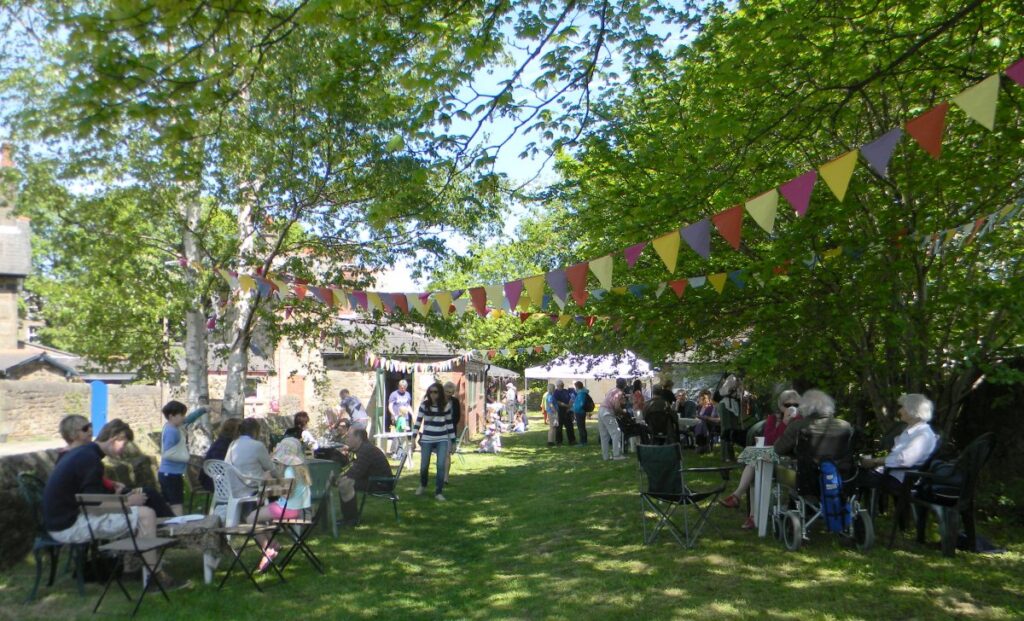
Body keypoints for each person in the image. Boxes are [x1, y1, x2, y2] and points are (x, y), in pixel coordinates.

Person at [42, 419, 188, 592]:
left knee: (137, 513)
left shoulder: (85, 453)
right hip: (68, 526)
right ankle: (153, 578)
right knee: (145, 514)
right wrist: (127, 502)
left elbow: (90, 498)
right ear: (114, 438)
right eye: (124, 444)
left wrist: (121, 500)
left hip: (61, 521)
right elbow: (93, 504)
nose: (124, 450)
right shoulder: (90, 458)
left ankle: (131, 569)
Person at [57, 415, 175, 518]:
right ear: (72, 434)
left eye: (90, 426)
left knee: (148, 495)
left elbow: (88, 483)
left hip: (92, 504)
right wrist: (126, 502)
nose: (91, 431)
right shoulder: (81, 457)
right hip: (83, 513)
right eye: (85, 428)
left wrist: (110, 483)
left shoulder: (82, 455)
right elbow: (91, 500)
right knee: (147, 507)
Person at [720, 389, 801, 529]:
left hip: (791, 463)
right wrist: (785, 422)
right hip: (774, 457)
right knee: (755, 460)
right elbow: (769, 441)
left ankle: (741, 501)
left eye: (796, 404)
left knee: (753, 460)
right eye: (788, 405)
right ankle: (749, 511)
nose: (792, 407)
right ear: (781, 406)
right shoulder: (773, 419)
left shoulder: (802, 419)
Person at [244, 437, 312, 573]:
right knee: (261, 517)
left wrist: (268, 488)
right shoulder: (301, 470)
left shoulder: (289, 471)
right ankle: (273, 544)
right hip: (298, 509)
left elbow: (287, 494)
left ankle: (267, 549)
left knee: (251, 518)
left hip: (287, 509)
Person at [856, 393, 938, 498]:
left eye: (903, 407)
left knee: (850, 475)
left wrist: (874, 461)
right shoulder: (911, 430)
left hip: (900, 480)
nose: (899, 411)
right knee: (854, 470)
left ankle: (847, 511)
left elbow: (903, 460)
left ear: (913, 410)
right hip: (892, 475)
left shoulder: (923, 434)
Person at [773, 389, 856, 477]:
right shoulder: (845, 426)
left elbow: (778, 449)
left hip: (807, 479)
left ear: (804, 407)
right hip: (841, 476)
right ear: (829, 405)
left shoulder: (797, 426)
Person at [337, 429, 393, 527]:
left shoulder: (366, 450)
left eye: (349, 437)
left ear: (358, 438)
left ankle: (351, 520)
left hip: (381, 483)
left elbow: (355, 473)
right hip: (376, 480)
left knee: (346, 483)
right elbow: (356, 471)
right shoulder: (365, 448)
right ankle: (349, 518)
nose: (346, 440)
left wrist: (336, 480)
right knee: (345, 482)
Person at [416, 382, 455, 501]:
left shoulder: (446, 406)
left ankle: (438, 492)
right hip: (427, 439)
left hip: (442, 438)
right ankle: (423, 485)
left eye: (436, 392)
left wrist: (453, 442)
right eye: (431, 392)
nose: (433, 394)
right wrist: (413, 439)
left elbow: (449, 425)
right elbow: (418, 422)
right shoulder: (424, 405)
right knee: (424, 466)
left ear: (440, 393)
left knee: (441, 465)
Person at [226, 417, 279, 497]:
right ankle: (276, 508)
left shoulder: (232, 444)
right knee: (285, 487)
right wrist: (282, 475)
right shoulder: (257, 446)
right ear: (255, 431)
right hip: (251, 489)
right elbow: (271, 468)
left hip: (232, 489)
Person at [158, 400, 190, 516]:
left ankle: (169, 527)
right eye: (181, 415)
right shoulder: (172, 431)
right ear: (171, 416)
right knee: (176, 503)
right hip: (171, 474)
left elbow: (189, 420)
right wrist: (185, 457)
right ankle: (179, 528)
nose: (183, 418)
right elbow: (168, 453)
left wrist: (203, 410)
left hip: (167, 473)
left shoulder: (169, 426)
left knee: (168, 502)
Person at [200, 418, 242, 492]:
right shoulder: (223, 446)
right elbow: (222, 466)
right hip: (215, 482)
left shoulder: (221, 442)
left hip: (211, 480)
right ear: (236, 431)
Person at [599, 378, 628, 461]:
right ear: (625, 385)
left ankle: (606, 456)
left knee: (604, 435)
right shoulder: (619, 392)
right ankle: (616, 455)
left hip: (601, 410)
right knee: (616, 432)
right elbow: (617, 407)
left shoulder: (612, 390)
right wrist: (623, 412)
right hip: (607, 412)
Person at [716, 375, 744, 461]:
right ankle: (725, 456)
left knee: (732, 430)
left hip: (733, 406)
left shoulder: (740, 380)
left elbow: (740, 395)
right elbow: (723, 392)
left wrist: (740, 387)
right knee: (726, 430)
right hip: (726, 405)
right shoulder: (731, 378)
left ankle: (730, 455)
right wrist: (735, 386)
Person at [443, 381, 462, 483]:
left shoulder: (455, 402)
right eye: (446, 391)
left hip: (450, 431)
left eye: (450, 392)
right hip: (438, 430)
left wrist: (450, 424)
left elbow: (457, 416)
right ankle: (440, 474)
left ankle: (446, 477)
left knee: (447, 454)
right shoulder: (438, 401)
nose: (448, 394)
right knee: (440, 455)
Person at [553, 380, 576, 446]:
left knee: (569, 426)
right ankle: (559, 442)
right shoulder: (555, 392)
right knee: (559, 427)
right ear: (557, 385)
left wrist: (569, 407)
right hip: (559, 411)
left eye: (562, 384)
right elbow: (557, 402)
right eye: (561, 385)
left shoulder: (566, 391)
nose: (562, 386)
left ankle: (572, 440)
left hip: (567, 411)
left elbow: (571, 398)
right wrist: (566, 406)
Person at [571, 381, 591, 445]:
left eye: (575, 387)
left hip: (580, 412)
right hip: (580, 411)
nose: (574, 388)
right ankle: (584, 441)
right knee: (582, 427)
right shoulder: (582, 392)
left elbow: (580, 404)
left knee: (581, 427)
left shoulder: (581, 394)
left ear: (577, 387)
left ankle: (583, 441)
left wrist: (574, 409)